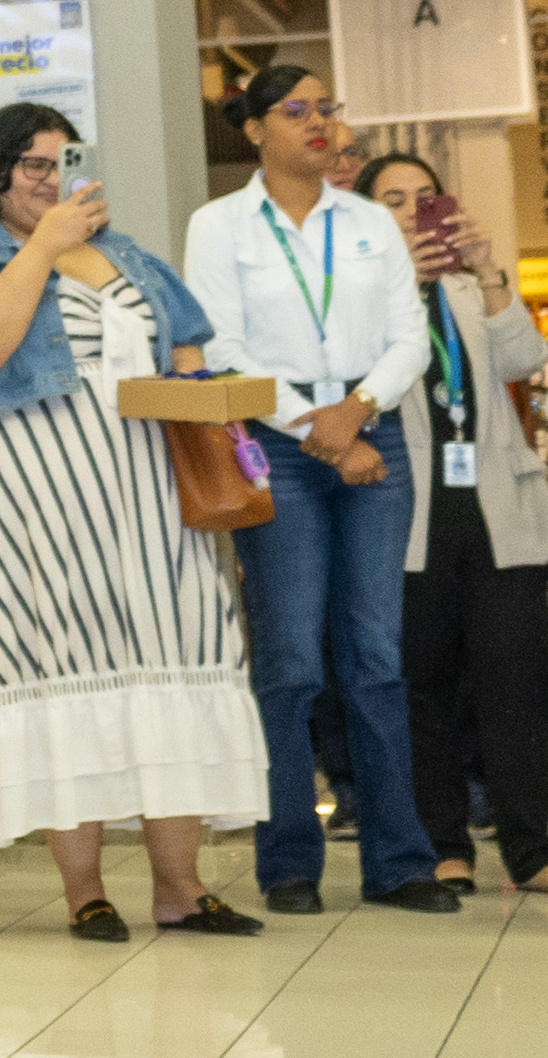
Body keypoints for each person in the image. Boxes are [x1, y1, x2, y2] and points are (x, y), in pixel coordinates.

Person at [0, 101, 265, 940]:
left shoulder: (132, 257)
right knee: (64, 673)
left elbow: (189, 361)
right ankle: (85, 891)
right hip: (28, 509)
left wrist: (211, 405)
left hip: (147, 504)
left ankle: (180, 886)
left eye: (67, 162)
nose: (53, 179)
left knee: (172, 665)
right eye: (32, 164)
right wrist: (42, 248)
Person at [181, 63, 454, 913]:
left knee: (375, 661)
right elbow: (221, 344)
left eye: (326, 108)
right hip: (280, 448)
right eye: (295, 111)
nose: (317, 123)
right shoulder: (219, 225)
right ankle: (290, 860)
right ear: (256, 128)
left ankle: (399, 863)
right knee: (291, 663)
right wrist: (320, 429)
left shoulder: (370, 222)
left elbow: (412, 338)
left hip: (375, 438)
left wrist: (359, 410)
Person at [364, 150, 548, 897]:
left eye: (425, 196)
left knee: (518, 682)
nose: (414, 211)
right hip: (408, 515)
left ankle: (531, 849)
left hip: (500, 512)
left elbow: (525, 358)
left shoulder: (468, 287)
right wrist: (400, 287)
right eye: (392, 199)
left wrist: (487, 272)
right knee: (424, 687)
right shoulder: (365, 295)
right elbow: (358, 380)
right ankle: (443, 842)